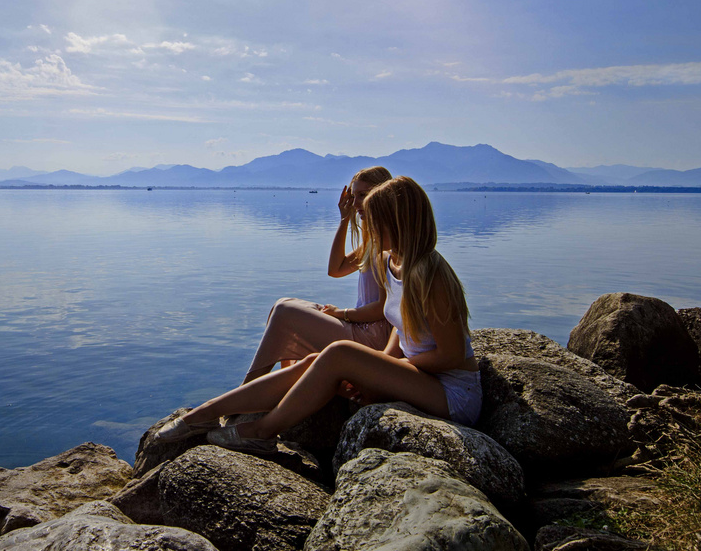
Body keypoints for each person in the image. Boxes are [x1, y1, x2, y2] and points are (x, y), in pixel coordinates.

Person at [153, 176, 481, 449]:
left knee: (338, 353)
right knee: (315, 362)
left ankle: (263, 432)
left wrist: (390, 368)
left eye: (374, 217)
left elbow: (452, 356)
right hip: (420, 377)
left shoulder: (431, 274)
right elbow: (400, 326)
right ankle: (205, 413)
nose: (367, 223)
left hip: (451, 393)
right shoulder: (390, 261)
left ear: (398, 221)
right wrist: (382, 367)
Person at [240, 165, 394, 384]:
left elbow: (382, 308)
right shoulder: (372, 240)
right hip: (362, 327)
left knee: (285, 312)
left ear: (381, 194)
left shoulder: (387, 242)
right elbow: (336, 269)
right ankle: (283, 382)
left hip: (373, 337)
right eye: (354, 196)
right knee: (282, 304)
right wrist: (344, 219)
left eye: (363, 195)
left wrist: (341, 313)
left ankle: (250, 388)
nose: (356, 202)